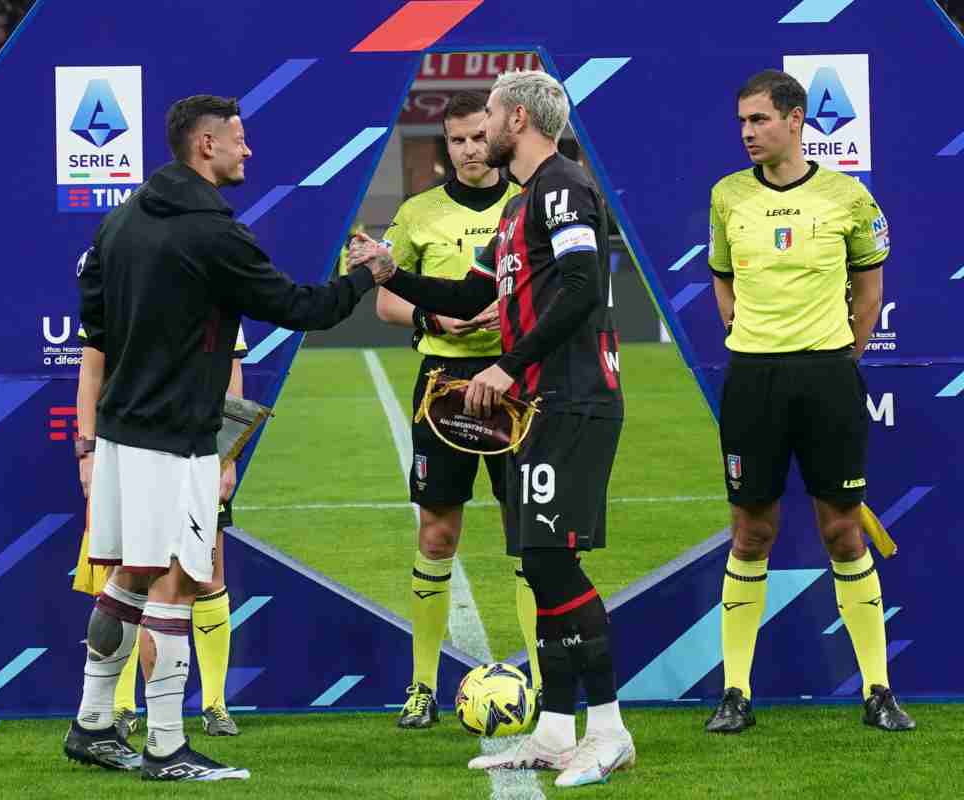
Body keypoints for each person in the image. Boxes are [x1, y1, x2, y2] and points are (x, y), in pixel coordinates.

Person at [63, 93, 394, 782]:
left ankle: (93, 725)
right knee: (181, 581)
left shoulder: (118, 222)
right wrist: (369, 274)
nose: (249, 151)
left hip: (123, 431)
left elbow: (94, 322)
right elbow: (300, 308)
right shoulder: (213, 232)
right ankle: (164, 747)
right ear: (205, 145)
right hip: (176, 436)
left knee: (127, 578)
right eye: (240, 140)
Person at [353, 69, 634, 788]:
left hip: (572, 398)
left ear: (518, 119)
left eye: (495, 118)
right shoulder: (520, 210)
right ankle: (551, 732)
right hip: (537, 406)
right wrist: (391, 273)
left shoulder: (565, 186)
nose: (484, 134)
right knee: (540, 562)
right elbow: (469, 293)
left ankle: (607, 730)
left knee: (556, 563)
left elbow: (578, 287)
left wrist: (508, 366)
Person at [704, 69, 913, 734]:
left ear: (796, 120)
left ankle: (877, 691)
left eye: (759, 120)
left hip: (827, 379)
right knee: (752, 531)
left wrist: (836, 359)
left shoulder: (848, 197)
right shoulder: (726, 196)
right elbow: (723, 284)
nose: (747, 133)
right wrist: (752, 341)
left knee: (842, 530)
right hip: (752, 380)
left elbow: (870, 291)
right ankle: (735, 693)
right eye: (741, 122)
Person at [372, 90, 534, 730]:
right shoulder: (415, 213)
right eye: (457, 140)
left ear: (495, 137)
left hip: (517, 383)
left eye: (477, 136)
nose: (469, 149)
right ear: (445, 144)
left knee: (530, 540)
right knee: (437, 533)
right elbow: (384, 299)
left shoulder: (528, 206)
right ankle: (420, 688)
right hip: (443, 382)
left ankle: (544, 683)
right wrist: (429, 317)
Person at [73, 328, 250, 739]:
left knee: (206, 576)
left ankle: (214, 703)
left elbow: (231, 373)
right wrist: (87, 451)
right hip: (134, 452)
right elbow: (92, 372)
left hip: (198, 451)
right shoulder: (115, 277)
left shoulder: (215, 273)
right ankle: (119, 708)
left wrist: (228, 456)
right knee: (129, 575)